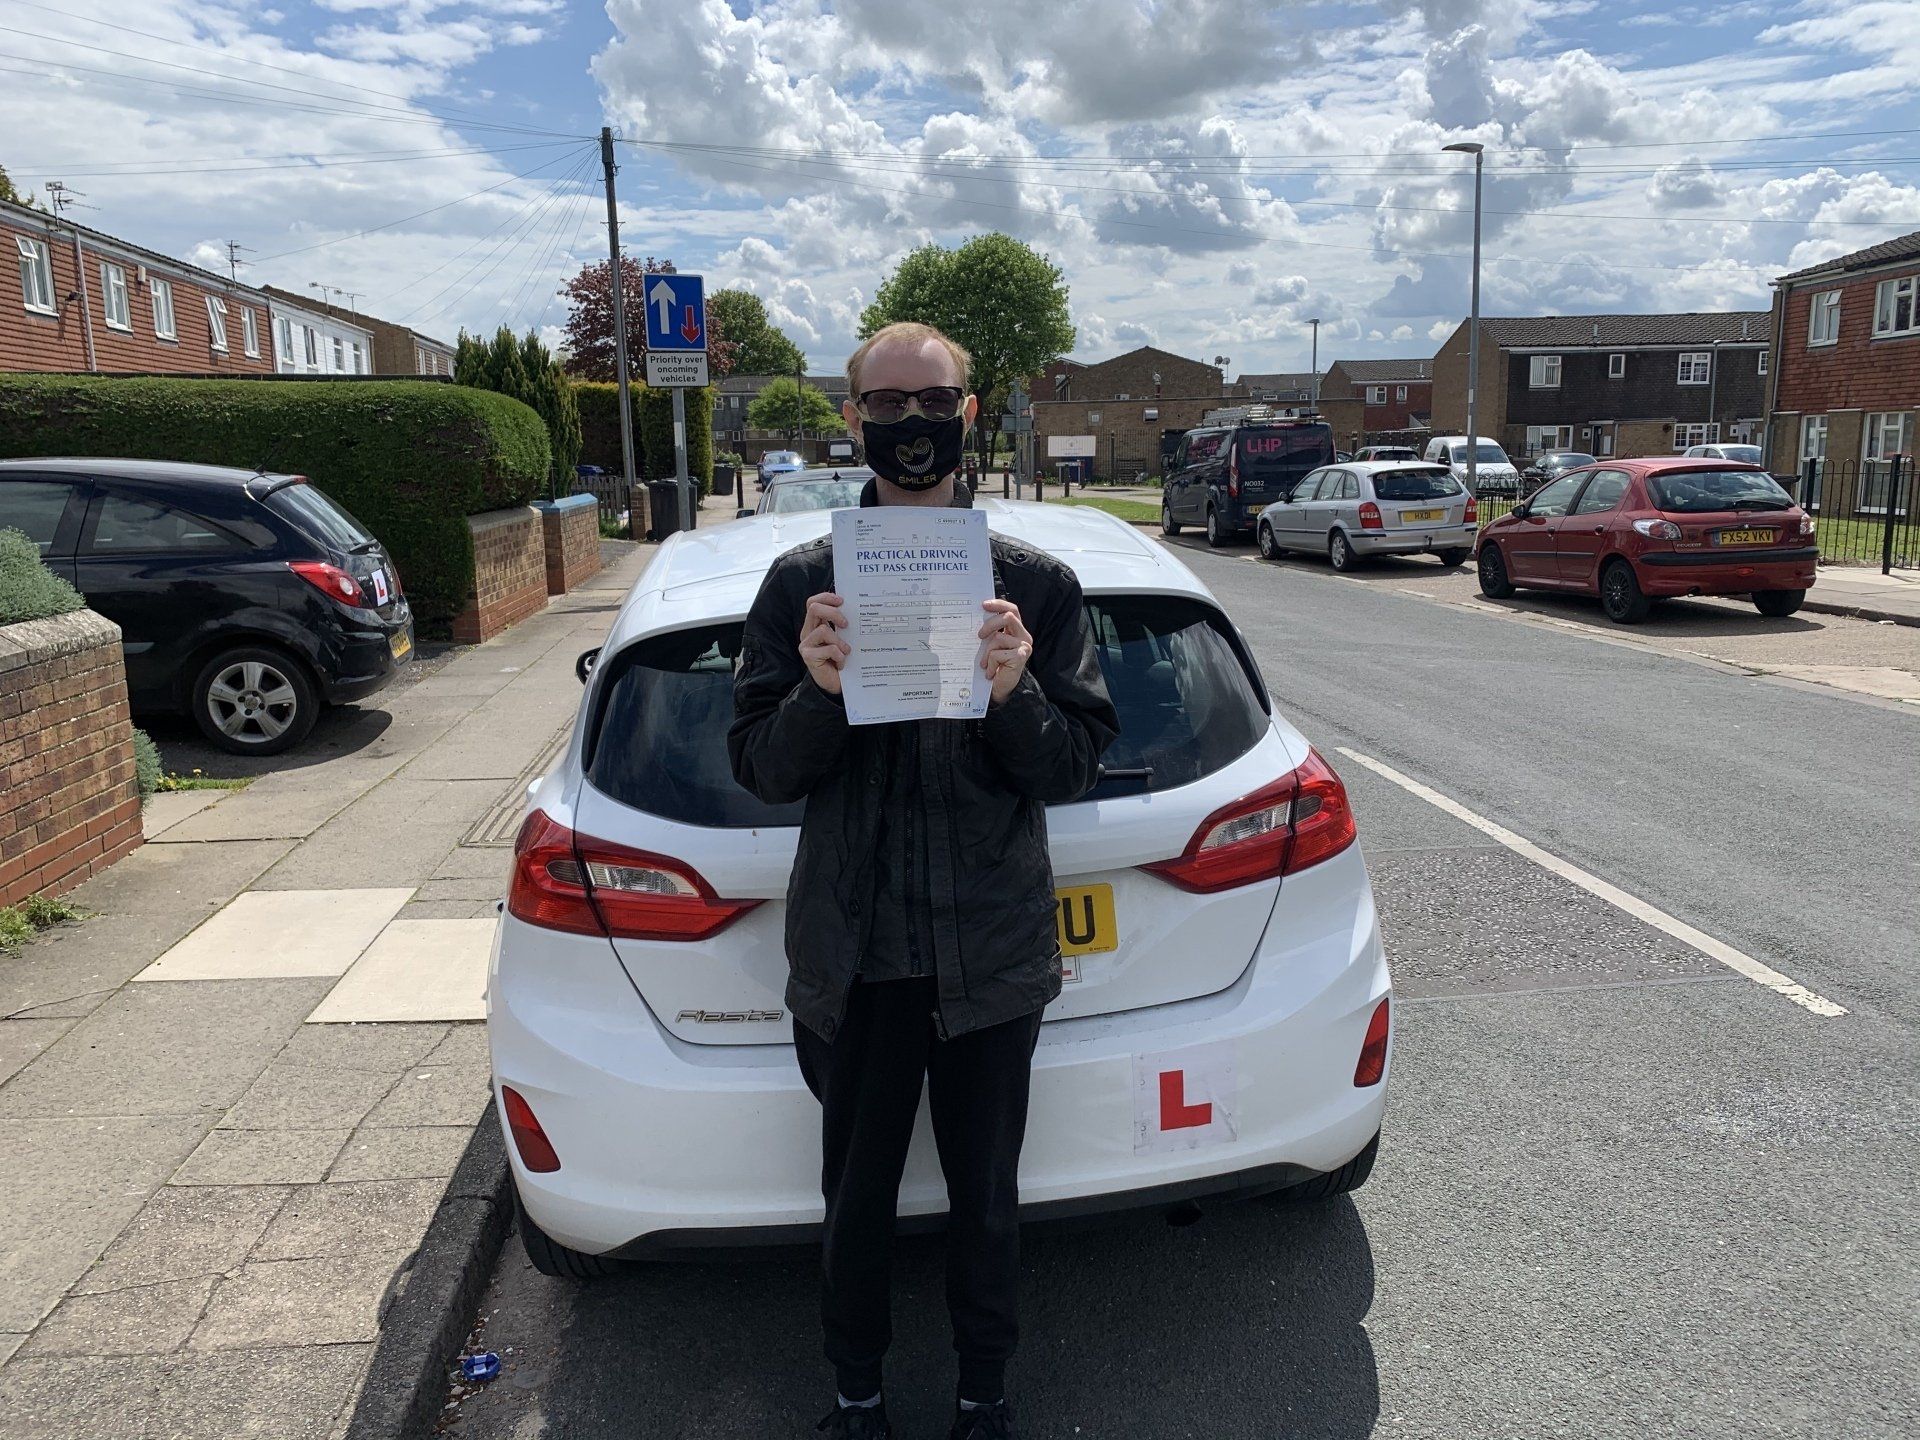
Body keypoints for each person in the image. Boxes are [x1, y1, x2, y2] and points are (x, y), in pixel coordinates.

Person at [729, 321, 1119, 1440]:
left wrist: (1015, 691)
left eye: (934, 401)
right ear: (853, 419)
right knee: (853, 1201)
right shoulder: (802, 584)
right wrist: (814, 691)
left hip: (989, 959)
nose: (913, 423)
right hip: (854, 959)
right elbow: (759, 769)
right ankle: (856, 1396)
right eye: (888, 403)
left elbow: (1072, 768)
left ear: (970, 412)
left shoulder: (1036, 589)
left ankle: (983, 1397)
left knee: (986, 1201)